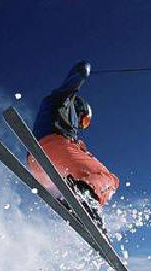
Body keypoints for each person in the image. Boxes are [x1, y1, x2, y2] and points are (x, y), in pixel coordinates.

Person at [28, 61, 119, 230]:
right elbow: (73, 81)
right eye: (84, 121)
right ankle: (86, 197)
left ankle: (72, 200)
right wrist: (83, 71)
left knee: (79, 178)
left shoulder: (52, 109)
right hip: (55, 148)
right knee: (110, 179)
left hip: (36, 164)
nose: (81, 126)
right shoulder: (62, 101)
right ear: (80, 109)